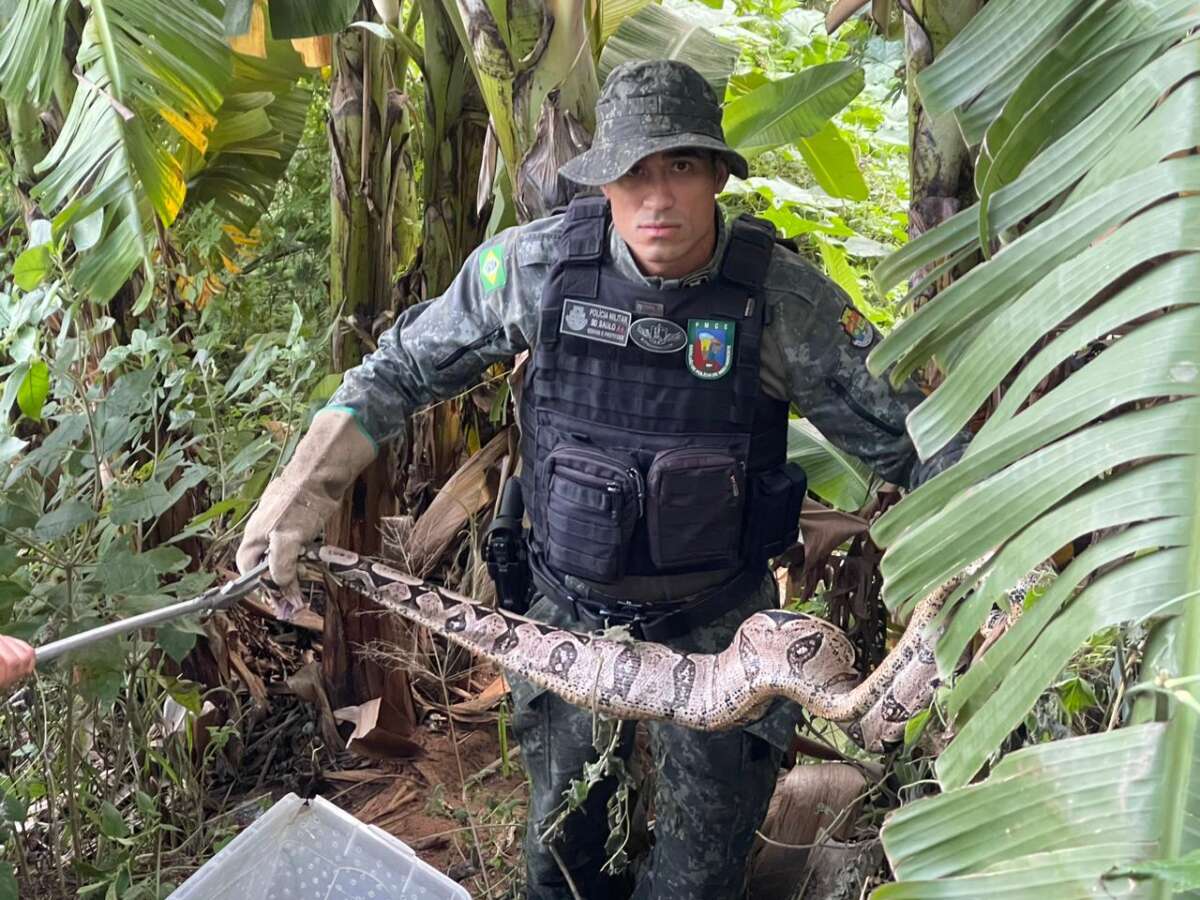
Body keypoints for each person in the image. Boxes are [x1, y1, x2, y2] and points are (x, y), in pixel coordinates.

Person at [238, 59, 964, 900]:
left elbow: (911, 443)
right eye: (635, 173)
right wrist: (299, 497)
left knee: (698, 879)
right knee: (566, 867)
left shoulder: (780, 301)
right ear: (605, 183)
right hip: (566, 621)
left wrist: (991, 572)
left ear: (718, 176)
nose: (658, 199)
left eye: (682, 169)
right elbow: (400, 369)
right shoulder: (538, 269)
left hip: (721, 630)